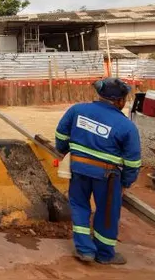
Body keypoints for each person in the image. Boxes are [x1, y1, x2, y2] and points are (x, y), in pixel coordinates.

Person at [55, 77, 141, 265]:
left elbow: (61, 134)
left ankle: (85, 250)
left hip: (78, 170)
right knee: (107, 213)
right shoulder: (127, 126)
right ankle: (104, 254)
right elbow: (133, 162)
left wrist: (63, 149)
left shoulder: (77, 110)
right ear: (119, 101)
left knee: (79, 206)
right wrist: (126, 182)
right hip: (108, 177)